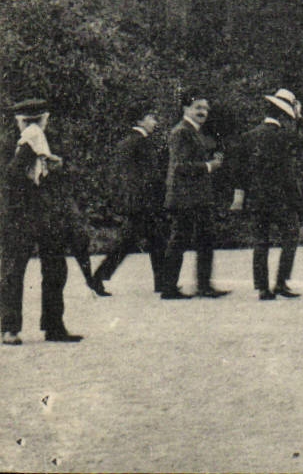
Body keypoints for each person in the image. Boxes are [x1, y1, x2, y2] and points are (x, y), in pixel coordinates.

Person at [1, 100, 83, 344]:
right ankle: (9, 328)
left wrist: (56, 166)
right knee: (14, 271)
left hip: (46, 213)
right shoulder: (14, 142)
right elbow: (11, 176)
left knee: (55, 268)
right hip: (20, 215)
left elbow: (66, 170)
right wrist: (28, 152)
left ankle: (53, 325)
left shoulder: (48, 139)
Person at [233, 89, 303, 300]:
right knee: (291, 235)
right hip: (281, 198)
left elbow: (240, 171)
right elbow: (288, 171)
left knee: (260, 241)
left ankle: (263, 288)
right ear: (283, 114)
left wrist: (241, 196)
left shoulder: (249, 136)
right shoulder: (283, 137)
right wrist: (299, 117)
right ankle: (281, 282)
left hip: (257, 198)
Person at [161, 94, 229, 299]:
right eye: (198, 107)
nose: (203, 112)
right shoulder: (181, 132)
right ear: (185, 108)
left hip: (197, 197)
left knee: (203, 239)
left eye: (206, 109)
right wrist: (209, 166)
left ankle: (201, 285)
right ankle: (170, 288)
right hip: (185, 197)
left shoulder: (194, 131)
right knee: (181, 240)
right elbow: (180, 166)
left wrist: (212, 160)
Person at [92, 111, 168, 294]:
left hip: (134, 200)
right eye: (151, 118)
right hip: (144, 201)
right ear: (140, 120)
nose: (154, 122)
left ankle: (162, 282)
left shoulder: (126, 142)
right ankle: (98, 277)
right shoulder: (142, 142)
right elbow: (151, 175)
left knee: (152, 240)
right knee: (139, 241)